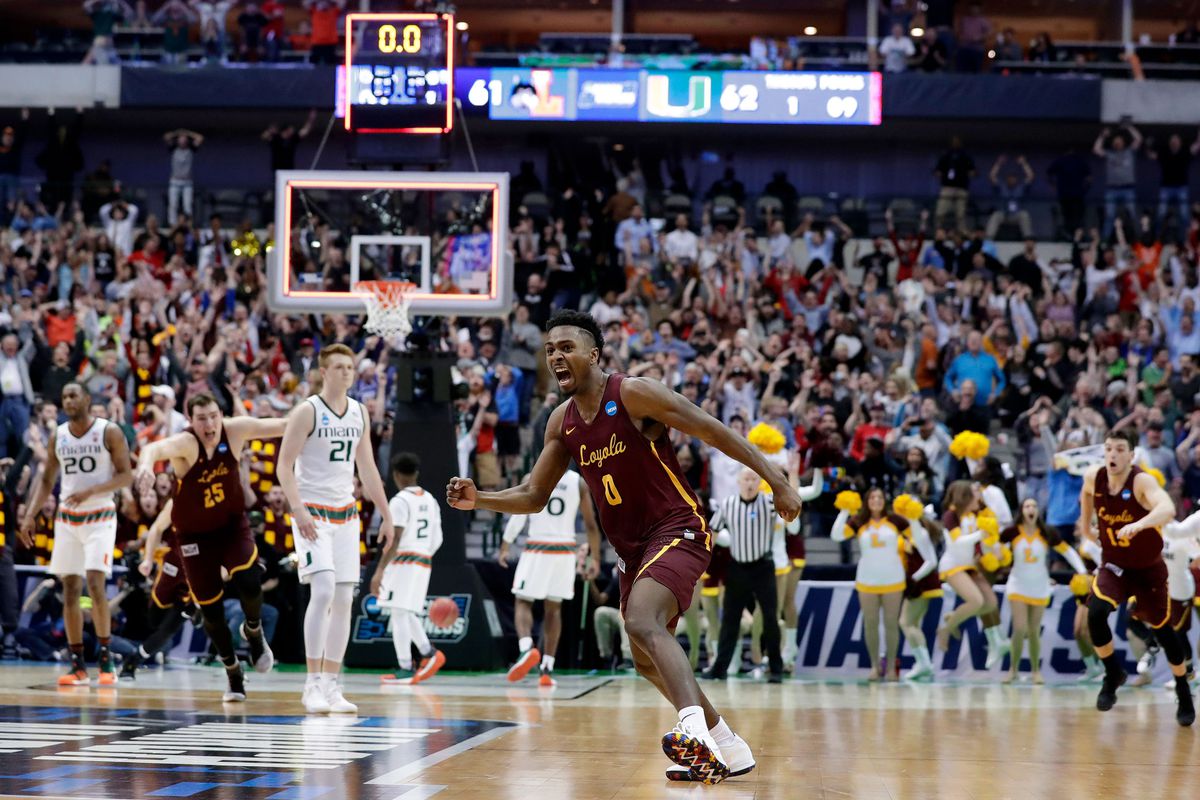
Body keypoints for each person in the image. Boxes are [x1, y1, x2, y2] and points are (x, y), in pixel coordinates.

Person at [447, 310, 803, 785]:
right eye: (550, 349)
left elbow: (713, 429)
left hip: (679, 527)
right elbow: (534, 495)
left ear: (593, 354)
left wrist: (776, 480)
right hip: (632, 551)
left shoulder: (633, 393)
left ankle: (691, 729)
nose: (556, 356)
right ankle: (729, 746)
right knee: (644, 659)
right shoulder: (562, 423)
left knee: (639, 620)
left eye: (566, 347)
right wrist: (480, 498)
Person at [134, 394, 284, 702]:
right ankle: (233, 672)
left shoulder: (235, 429)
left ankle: (254, 631)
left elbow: (282, 423)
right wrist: (146, 464)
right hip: (194, 538)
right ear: (191, 421)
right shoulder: (187, 445)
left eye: (214, 415)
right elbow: (154, 447)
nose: (210, 423)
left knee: (249, 579)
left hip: (231, 525)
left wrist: (323, 414)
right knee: (212, 613)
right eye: (202, 418)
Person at [277, 343, 395, 714]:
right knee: (324, 589)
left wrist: (386, 514)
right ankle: (311, 684)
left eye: (350, 367)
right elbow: (284, 466)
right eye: (340, 367)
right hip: (312, 513)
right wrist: (298, 511)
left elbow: (368, 469)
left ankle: (331, 685)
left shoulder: (359, 411)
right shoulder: (306, 411)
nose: (347, 372)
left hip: (346, 514)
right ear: (323, 372)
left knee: (345, 597)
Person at [18, 383, 133, 686]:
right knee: (69, 588)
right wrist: (30, 516)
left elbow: (126, 474)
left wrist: (92, 490)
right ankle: (77, 664)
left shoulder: (109, 431)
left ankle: (106, 659)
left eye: (73, 395)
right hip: (68, 519)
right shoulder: (59, 435)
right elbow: (45, 480)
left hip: (100, 516)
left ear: (87, 398)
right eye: (64, 396)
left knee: (95, 583)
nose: (68, 400)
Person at [1079, 427, 1193, 725]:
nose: (1112, 455)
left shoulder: (1141, 480)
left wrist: (1140, 524)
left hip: (1148, 570)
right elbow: (1086, 492)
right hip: (1115, 565)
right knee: (1096, 613)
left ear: (1132, 455)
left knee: (1164, 631)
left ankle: (1182, 688)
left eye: (1119, 449)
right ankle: (1112, 673)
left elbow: (1167, 508)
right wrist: (1084, 527)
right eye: (1108, 448)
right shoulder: (1095, 476)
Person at [498, 467, 600, 687]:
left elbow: (518, 514)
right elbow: (591, 525)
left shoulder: (533, 476)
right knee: (554, 609)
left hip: (539, 548)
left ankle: (526, 648)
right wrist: (596, 559)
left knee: (523, 601)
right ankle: (547, 667)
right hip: (565, 552)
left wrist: (506, 545)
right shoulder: (578, 482)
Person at [703, 468, 797, 683]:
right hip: (737, 568)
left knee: (771, 618)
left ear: (759, 482)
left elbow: (791, 507)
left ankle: (775, 668)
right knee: (730, 620)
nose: (749, 483)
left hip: (763, 567)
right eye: (746, 478)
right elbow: (714, 532)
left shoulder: (769, 503)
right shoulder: (728, 505)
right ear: (738, 481)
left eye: (754, 479)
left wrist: (791, 475)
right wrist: (703, 561)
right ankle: (720, 668)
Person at [832, 488, 926, 681]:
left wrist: (914, 518)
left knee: (891, 625)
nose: (876, 500)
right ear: (866, 501)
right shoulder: (858, 521)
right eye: (872, 497)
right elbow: (836, 536)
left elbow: (917, 538)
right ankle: (875, 666)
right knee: (871, 625)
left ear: (885, 500)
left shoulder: (896, 521)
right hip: (867, 580)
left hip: (893, 580)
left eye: (880, 497)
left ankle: (891, 667)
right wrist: (844, 510)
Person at [371, 452, 447, 686]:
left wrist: (380, 570)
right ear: (416, 474)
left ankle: (408, 665)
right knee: (404, 611)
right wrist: (422, 554)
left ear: (395, 475)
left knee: (398, 611)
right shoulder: (431, 500)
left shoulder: (400, 500)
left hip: (404, 559)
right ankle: (427, 652)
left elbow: (395, 538)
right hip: (424, 559)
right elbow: (438, 539)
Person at [999, 498, 1089, 684]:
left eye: (1034, 506)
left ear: (1038, 511)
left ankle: (1035, 671)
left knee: (1033, 630)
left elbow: (1067, 552)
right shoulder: (1012, 532)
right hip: (1017, 584)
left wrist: (1082, 571)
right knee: (1019, 628)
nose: (1031, 509)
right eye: (1027, 506)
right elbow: (994, 548)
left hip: (1040, 586)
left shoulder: (1047, 533)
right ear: (1022, 511)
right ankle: (1013, 669)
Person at [121, 496, 195, 679]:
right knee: (154, 619)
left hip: (196, 573)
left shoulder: (217, 504)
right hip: (173, 566)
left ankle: (133, 660)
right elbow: (156, 529)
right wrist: (147, 559)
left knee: (169, 628)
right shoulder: (179, 500)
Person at [900, 512, 942, 681]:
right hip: (920, 582)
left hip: (923, 584)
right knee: (913, 623)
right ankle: (922, 663)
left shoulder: (920, 533)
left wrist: (913, 579)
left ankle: (924, 663)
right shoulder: (911, 532)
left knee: (906, 622)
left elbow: (932, 561)